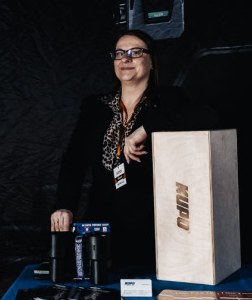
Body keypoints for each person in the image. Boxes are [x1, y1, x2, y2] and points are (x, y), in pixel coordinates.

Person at [50, 30, 212, 270]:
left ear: (151, 61)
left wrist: (144, 130)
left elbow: (209, 116)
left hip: (152, 225)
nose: (125, 59)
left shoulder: (169, 100)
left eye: (135, 52)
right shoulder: (95, 107)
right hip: (102, 224)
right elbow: (74, 161)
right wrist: (64, 205)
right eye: (119, 53)